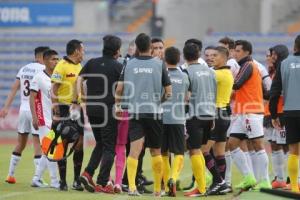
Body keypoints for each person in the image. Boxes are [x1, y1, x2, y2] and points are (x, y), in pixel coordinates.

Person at [115, 33, 172, 196]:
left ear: (138, 47)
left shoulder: (129, 64)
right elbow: (169, 92)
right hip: (154, 112)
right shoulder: (159, 64)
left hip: (135, 112)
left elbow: (119, 89)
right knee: (156, 151)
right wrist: (159, 101)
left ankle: (132, 187)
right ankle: (157, 190)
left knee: (134, 151)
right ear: (150, 47)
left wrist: (118, 105)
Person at [77, 35, 123, 194]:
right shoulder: (118, 67)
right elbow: (121, 88)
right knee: (110, 148)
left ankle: (88, 173)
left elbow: (80, 79)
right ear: (117, 51)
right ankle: (102, 182)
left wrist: (82, 97)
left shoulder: (92, 62)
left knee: (101, 143)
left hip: (92, 109)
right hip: (108, 110)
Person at [0, 46, 49, 185]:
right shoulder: (42, 70)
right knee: (37, 145)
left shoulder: (23, 68)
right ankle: (38, 179)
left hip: (23, 110)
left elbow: (14, 87)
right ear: (42, 57)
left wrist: (6, 107)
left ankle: (10, 175)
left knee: (20, 144)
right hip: (35, 110)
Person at [228, 40, 270, 190]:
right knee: (232, 144)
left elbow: (236, 84)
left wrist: (222, 81)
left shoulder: (248, 65)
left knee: (257, 144)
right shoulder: (247, 66)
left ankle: (265, 181)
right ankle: (249, 177)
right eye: (235, 51)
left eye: (238, 51)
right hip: (242, 111)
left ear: (247, 52)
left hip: (250, 112)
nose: (235, 53)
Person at [182, 43, 216, 197]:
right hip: (209, 115)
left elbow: (186, 97)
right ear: (199, 55)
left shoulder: (186, 72)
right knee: (201, 150)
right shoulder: (210, 72)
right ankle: (202, 184)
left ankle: (201, 188)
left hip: (194, 116)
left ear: (184, 56)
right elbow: (214, 94)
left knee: (194, 150)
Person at [51, 39, 85, 191]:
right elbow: (54, 89)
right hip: (64, 108)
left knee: (79, 144)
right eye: (82, 50)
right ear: (76, 51)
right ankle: (63, 181)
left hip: (77, 109)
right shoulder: (61, 66)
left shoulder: (80, 66)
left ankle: (77, 180)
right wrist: (56, 109)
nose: (83, 53)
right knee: (62, 144)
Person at [269, 35, 300, 193]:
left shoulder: (284, 64)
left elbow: (274, 92)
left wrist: (274, 115)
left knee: (293, 150)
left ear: (294, 47)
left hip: (291, 112)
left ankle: (295, 186)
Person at [201, 46, 233, 195]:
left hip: (216, 115)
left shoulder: (217, 73)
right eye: (209, 55)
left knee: (203, 150)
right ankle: (222, 183)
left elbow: (200, 77)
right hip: (223, 113)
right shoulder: (225, 72)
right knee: (219, 152)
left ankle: (218, 180)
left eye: (215, 55)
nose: (211, 58)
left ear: (224, 58)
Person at [161, 47, 190, 197]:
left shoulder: (161, 74)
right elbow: (187, 98)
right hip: (178, 119)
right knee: (179, 152)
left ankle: (166, 186)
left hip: (162, 118)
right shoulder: (184, 76)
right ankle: (174, 178)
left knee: (163, 153)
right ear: (179, 59)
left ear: (165, 59)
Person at [30, 49, 60, 188]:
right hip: (42, 118)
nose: (56, 61)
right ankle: (55, 181)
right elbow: (32, 97)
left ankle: (36, 178)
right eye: (54, 59)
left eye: (57, 59)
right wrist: (35, 117)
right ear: (46, 60)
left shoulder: (57, 76)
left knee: (47, 149)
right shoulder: (38, 77)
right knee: (50, 149)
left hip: (53, 118)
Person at [263, 45, 289, 189]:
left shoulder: (284, 69)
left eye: (272, 54)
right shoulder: (272, 71)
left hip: (282, 112)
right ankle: (280, 178)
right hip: (271, 113)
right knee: (274, 144)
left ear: (279, 54)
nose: (270, 57)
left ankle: (292, 178)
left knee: (287, 146)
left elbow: (281, 91)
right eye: (269, 54)